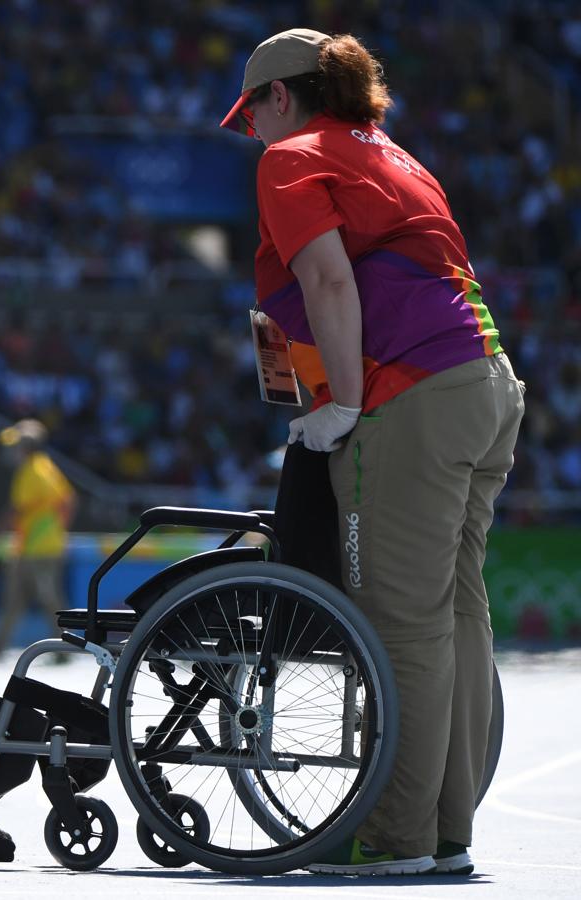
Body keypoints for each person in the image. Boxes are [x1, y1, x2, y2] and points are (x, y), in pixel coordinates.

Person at [220, 29, 525, 876]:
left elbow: (326, 282)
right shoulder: (392, 153)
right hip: (487, 381)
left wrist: (345, 403)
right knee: (459, 614)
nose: (254, 135)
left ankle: (396, 838)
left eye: (252, 116)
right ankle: (444, 831)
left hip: (412, 397)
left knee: (401, 622)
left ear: (281, 96)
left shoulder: (292, 159)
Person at [0, 419, 76, 656]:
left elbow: (15, 511)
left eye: (14, 446)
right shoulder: (46, 467)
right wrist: (59, 532)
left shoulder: (30, 472)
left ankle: (64, 649)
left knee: (47, 600)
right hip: (36, 546)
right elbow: (69, 501)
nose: (11, 451)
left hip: (38, 549)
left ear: (23, 448)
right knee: (17, 598)